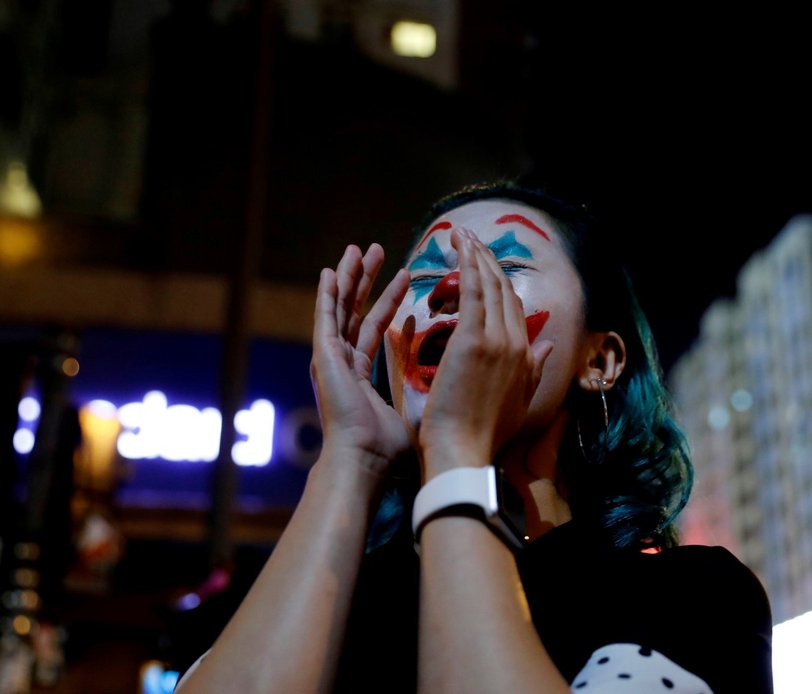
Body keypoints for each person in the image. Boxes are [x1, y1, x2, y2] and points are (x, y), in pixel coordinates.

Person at [173, 179, 774, 693]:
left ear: (601, 362)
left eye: (504, 268)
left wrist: (459, 448)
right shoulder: (322, 593)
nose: (448, 289)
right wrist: (352, 456)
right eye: (427, 273)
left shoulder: (689, 598)